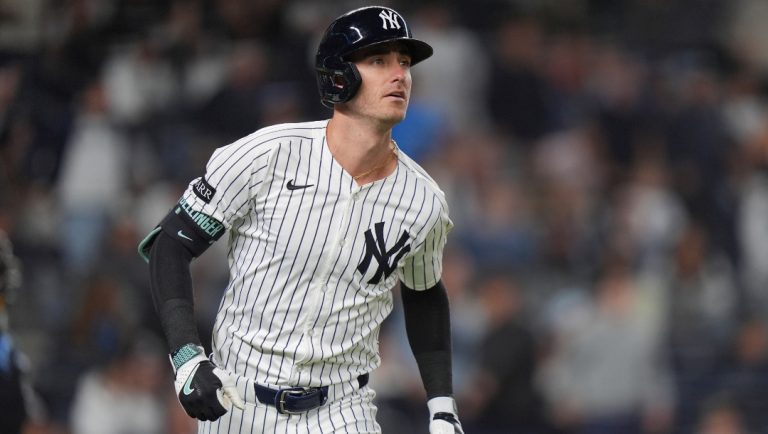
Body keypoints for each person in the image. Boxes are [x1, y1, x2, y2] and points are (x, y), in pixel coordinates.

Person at [138, 6, 462, 433]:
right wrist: (186, 356)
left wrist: (442, 406)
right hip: (239, 403)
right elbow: (171, 243)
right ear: (338, 74)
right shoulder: (268, 154)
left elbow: (424, 295)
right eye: (379, 61)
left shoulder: (423, 200)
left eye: (404, 62)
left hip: (344, 409)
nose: (399, 74)